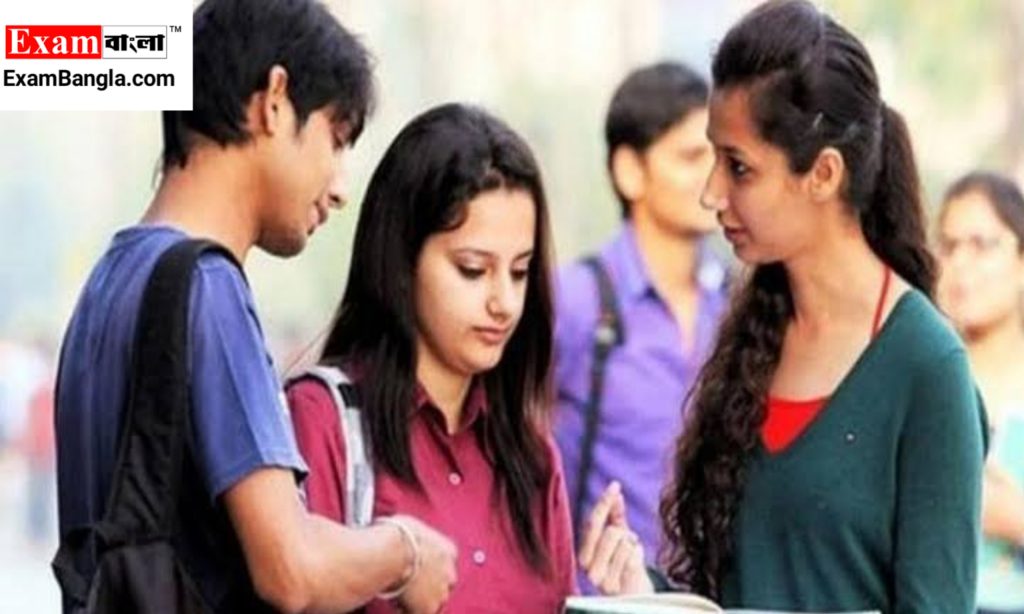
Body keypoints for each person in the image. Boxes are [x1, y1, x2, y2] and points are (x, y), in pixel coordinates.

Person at [54, 1, 456, 612]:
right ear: (274, 100)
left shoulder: (108, 282)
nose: (340, 187)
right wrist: (405, 550)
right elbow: (289, 570)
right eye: (335, 139)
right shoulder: (207, 288)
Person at [658, 1, 986, 611]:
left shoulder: (927, 367)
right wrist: (643, 590)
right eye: (713, 159)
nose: (711, 193)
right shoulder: (751, 336)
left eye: (738, 168)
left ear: (824, 173)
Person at [286, 103, 652, 612]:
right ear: (402, 260)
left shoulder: (531, 454)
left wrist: (627, 604)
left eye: (520, 273)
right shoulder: (324, 421)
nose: (504, 302)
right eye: (473, 270)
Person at [552, 62, 728, 585]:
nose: (713, 177)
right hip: (602, 598)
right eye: (691, 156)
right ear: (630, 170)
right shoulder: (576, 302)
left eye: (720, 157)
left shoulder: (737, 305)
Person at [938, 171, 1024, 614]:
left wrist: (1014, 518)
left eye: (982, 245)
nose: (961, 264)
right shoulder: (921, 378)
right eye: (949, 246)